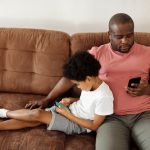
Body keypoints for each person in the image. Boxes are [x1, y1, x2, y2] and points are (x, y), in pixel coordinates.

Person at [25, 13, 150, 150]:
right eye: (119, 37)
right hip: (109, 118)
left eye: (129, 35)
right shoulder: (97, 53)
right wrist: (47, 99)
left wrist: (147, 89)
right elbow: (70, 77)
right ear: (109, 34)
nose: (125, 41)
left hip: (143, 115)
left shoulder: (147, 53)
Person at [0, 51, 113, 135]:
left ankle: (5, 113)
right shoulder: (90, 85)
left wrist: (67, 114)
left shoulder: (105, 97)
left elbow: (94, 126)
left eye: (77, 84)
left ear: (88, 78)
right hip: (69, 110)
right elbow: (90, 102)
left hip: (77, 124)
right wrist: (72, 100)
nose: (78, 87)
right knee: (35, 119)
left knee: (37, 114)